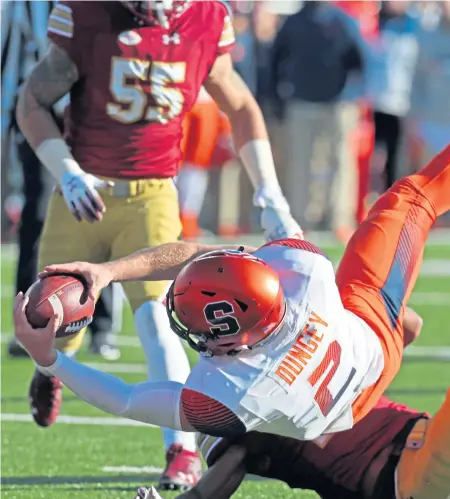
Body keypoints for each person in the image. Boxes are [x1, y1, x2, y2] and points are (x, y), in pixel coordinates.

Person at [13, 146, 450, 482]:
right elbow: (200, 257)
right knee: (414, 196)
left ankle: (403, 325)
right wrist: (107, 272)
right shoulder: (300, 268)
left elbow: (126, 399)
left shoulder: (233, 394)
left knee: (215, 443)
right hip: (369, 331)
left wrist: (49, 359)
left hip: (343, 405)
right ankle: (402, 323)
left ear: (237, 341)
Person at [15, 0, 300, 490]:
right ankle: (49, 371)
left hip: (152, 195)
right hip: (82, 193)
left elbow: (240, 106)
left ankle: (180, 450)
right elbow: (31, 102)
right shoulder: (88, 12)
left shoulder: (207, 17)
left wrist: (269, 192)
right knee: (51, 318)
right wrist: (66, 169)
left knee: (160, 321)